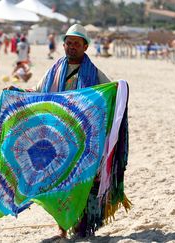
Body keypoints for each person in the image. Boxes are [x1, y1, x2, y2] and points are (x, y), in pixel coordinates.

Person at [35, 24, 111, 238]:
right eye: (68, 43)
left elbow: (108, 94)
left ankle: (81, 225)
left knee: (81, 180)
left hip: (83, 138)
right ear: (64, 45)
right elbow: (38, 92)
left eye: (76, 44)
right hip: (57, 137)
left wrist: (119, 88)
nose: (71, 47)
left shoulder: (94, 73)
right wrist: (18, 93)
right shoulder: (54, 70)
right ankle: (62, 226)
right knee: (58, 180)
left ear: (85, 47)